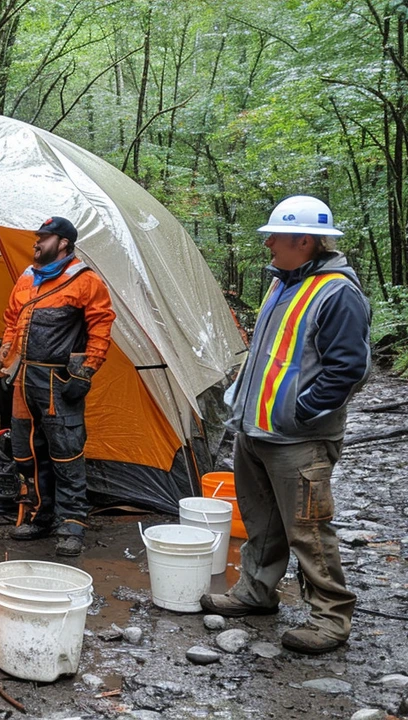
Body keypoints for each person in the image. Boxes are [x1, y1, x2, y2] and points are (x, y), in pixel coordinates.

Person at [201, 196, 371, 655]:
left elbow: (349, 370)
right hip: (256, 432)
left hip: (299, 439)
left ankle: (330, 618)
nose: (269, 243)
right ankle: (256, 592)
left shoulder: (338, 293)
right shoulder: (283, 283)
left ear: (305, 240)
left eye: (276, 235)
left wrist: (298, 413)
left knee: (309, 530)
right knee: (263, 522)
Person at [0, 217, 115, 557]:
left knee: (66, 453)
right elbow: (11, 318)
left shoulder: (85, 280)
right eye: (38, 237)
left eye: (44, 238)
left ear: (63, 242)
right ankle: (40, 515)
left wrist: (85, 372)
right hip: (23, 380)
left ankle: (72, 524)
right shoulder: (25, 278)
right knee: (27, 452)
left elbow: (101, 324)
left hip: (57, 383)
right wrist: (7, 350)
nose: (37, 242)